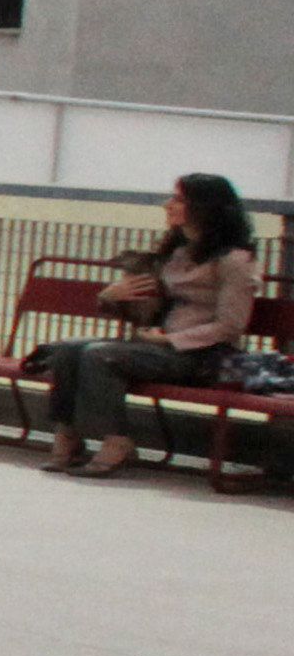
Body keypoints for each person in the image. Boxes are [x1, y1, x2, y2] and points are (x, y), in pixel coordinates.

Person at [42, 173, 262, 476]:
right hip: (159, 346)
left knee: (99, 354)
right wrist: (110, 297)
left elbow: (230, 326)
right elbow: (145, 308)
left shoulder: (234, 260)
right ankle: (69, 435)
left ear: (204, 206)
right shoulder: (176, 253)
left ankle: (117, 440)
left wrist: (169, 340)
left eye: (179, 199)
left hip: (202, 356)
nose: (167, 204)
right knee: (66, 350)